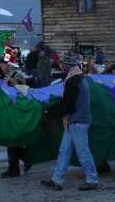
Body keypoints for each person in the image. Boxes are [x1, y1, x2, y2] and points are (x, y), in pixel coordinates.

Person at [41, 51, 99, 191]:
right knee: (64, 150)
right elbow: (68, 103)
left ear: (65, 65)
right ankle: (57, 179)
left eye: (61, 63)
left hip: (77, 120)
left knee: (82, 151)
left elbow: (68, 104)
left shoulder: (73, 80)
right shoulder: (77, 77)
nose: (60, 65)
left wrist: (50, 112)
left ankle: (92, 179)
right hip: (75, 120)